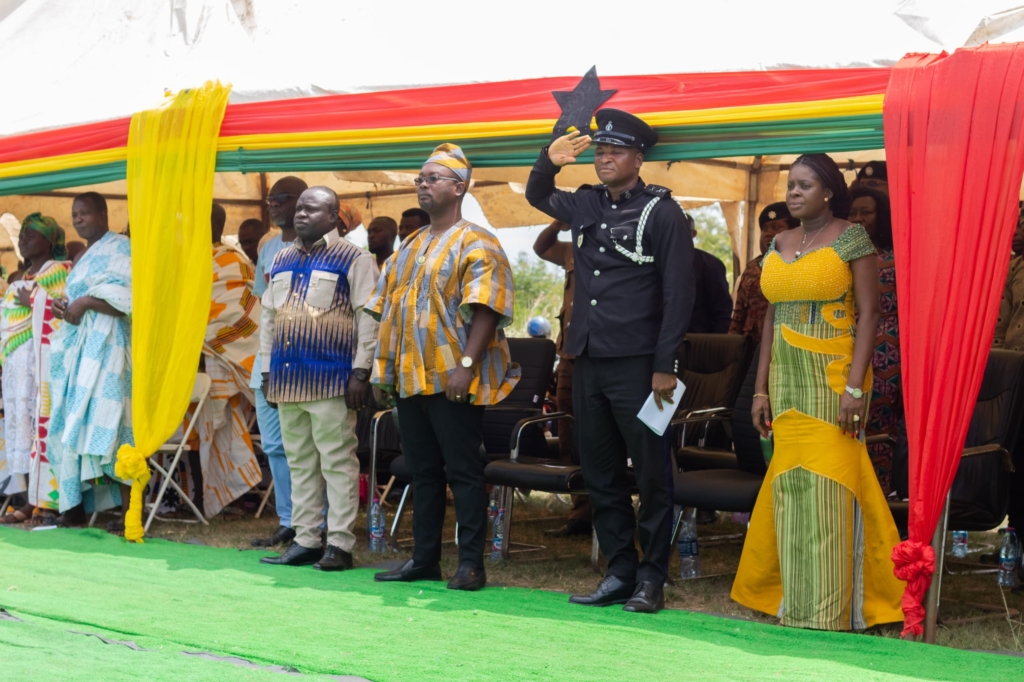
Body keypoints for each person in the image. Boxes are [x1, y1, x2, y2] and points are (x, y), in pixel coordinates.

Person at [525, 109, 695, 614]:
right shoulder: (586, 202)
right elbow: (537, 195)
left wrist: (666, 364)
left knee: (651, 473)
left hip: (640, 363)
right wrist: (548, 159)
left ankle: (652, 577)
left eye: (615, 152)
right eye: (600, 152)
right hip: (588, 358)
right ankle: (620, 571)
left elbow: (678, 293)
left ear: (638, 159)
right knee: (599, 470)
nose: (604, 159)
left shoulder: (662, 211)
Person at [732, 154, 903, 630]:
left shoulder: (852, 238)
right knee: (791, 487)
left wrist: (855, 388)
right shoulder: (780, 242)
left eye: (804, 185)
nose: (793, 192)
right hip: (785, 381)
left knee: (830, 486)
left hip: (833, 378)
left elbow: (870, 315)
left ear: (828, 192)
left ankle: (831, 611)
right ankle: (794, 603)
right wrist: (759, 390)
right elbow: (771, 316)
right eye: (791, 184)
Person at [371, 144, 519, 592]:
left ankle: (471, 565)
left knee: (463, 471)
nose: (422, 184)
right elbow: (386, 309)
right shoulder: (411, 244)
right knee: (423, 471)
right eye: (420, 178)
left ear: (459, 188)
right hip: (410, 377)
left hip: (453, 378)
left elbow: (487, 308)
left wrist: (466, 366)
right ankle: (424, 560)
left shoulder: (479, 241)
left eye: (432, 178)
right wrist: (383, 372)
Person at [258, 187, 379, 571]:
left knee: (337, 461)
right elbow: (268, 320)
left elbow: (368, 318)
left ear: (332, 216)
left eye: (311, 209)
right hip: (287, 379)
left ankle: (340, 545)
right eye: (299, 208)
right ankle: (307, 540)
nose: (300, 214)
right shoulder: (281, 258)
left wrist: (361, 372)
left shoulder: (355, 259)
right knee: (299, 462)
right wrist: (266, 372)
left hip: (331, 380)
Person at [49, 192, 134, 531]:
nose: (78, 219)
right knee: (73, 425)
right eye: (74, 214)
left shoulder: (122, 248)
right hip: (81, 353)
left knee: (116, 425)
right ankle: (74, 508)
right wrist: (64, 306)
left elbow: (129, 301)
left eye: (84, 213)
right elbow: (76, 301)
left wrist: (85, 302)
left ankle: (131, 512)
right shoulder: (82, 257)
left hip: (111, 349)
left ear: (103, 213)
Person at [182, 204, 263, 518]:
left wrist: (206, 341)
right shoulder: (188, 261)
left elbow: (243, 312)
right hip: (191, 363)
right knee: (193, 433)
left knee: (222, 426)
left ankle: (231, 499)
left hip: (226, 362)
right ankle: (197, 497)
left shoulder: (233, 261)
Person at [0, 214, 71, 526]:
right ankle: (32, 500)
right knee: (24, 432)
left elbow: (66, 311)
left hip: (43, 366)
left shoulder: (60, 271)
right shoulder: (20, 278)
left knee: (43, 430)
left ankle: (47, 503)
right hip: (17, 368)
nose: (23, 239)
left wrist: (33, 301)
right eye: (22, 235)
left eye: (32, 234)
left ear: (50, 240)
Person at [250, 176, 307, 548]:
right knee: (273, 445)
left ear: (301, 201)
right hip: (268, 361)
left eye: (280, 198)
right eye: (269, 199)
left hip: (305, 361)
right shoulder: (268, 247)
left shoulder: (319, 246)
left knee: (305, 446)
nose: (272, 204)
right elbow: (262, 303)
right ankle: (287, 520)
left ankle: (313, 522)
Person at [532, 216, 593, 537]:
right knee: (569, 433)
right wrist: (558, 224)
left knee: (599, 436)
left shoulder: (619, 244)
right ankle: (581, 512)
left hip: (598, 357)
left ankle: (608, 509)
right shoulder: (572, 248)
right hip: (569, 356)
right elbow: (540, 247)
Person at [849, 186, 901, 496]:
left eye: (865, 212)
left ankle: (878, 499)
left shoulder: (898, 259)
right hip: (843, 347)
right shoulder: (838, 255)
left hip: (886, 354)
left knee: (878, 425)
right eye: (852, 212)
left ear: (881, 217)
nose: (857, 218)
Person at [729, 203, 800, 340]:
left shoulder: (807, 265)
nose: (767, 234)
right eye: (764, 229)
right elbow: (738, 316)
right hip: (752, 347)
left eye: (775, 227)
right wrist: (731, 346)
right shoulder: (752, 268)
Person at [687, 213, 733, 334]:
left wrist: (716, 342)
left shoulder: (710, 265)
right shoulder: (654, 263)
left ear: (693, 234)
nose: (675, 234)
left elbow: (723, 313)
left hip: (699, 340)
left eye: (681, 229)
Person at [993, 204, 1024, 352]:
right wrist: (999, 360)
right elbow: (999, 327)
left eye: (1020, 225)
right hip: (1016, 359)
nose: (1015, 232)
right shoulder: (1013, 268)